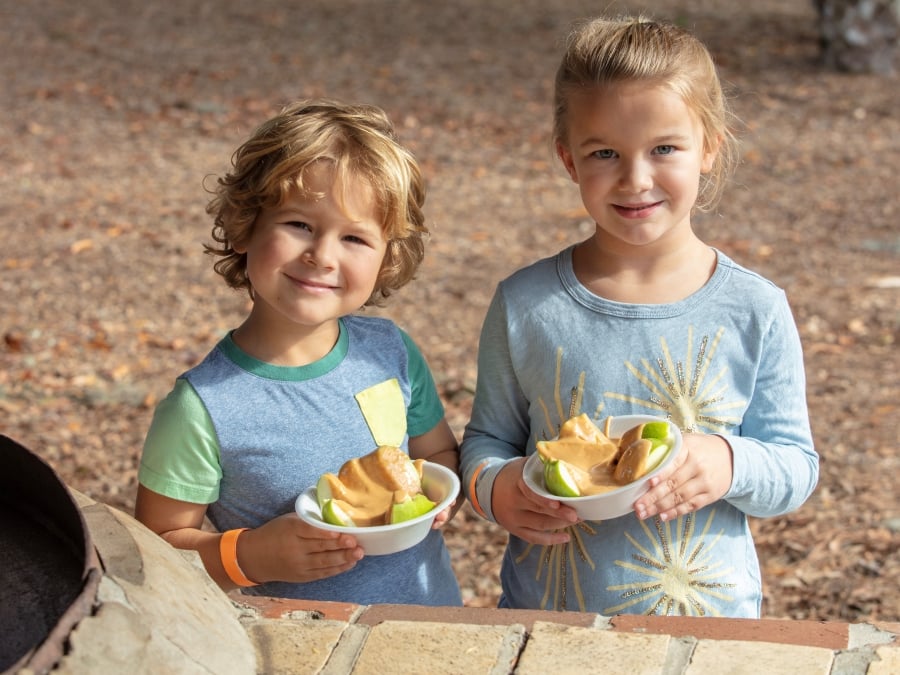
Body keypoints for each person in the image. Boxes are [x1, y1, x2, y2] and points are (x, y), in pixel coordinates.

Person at [459, 16, 818, 618]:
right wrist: (496, 490)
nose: (636, 179)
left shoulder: (754, 309)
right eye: (605, 153)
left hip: (708, 632)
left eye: (664, 149)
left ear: (710, 148)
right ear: (569, 160)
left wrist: (728, 462)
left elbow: (795, 466)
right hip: (551, 623)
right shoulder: (526, 304)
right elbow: (488, 440)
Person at [135, 99, 463, 606]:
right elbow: (157, 554)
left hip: (428, 626)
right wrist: (250, 557)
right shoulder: (202, 408)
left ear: (387, 259)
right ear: (245, 225)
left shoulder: (390, 353)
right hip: (292, 642)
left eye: (354, 237)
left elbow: (436, 454)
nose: (322, 256)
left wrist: (442, 497)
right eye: (299, 225)